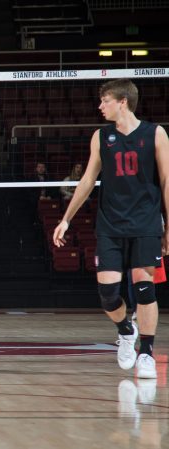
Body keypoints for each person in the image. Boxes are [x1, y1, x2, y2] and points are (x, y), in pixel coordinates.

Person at [53, 78, 169, 380]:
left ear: (122, 102)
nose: (100, 105)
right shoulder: (101, 136)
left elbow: (167, 182)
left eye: (105, 100)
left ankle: (146, 351)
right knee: (107, 293)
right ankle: (124, 330)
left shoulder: (155, 134)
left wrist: (168, 227)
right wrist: (66, 218)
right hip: (110, 224)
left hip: (145, 223)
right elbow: (88, 180)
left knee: (145, 289)